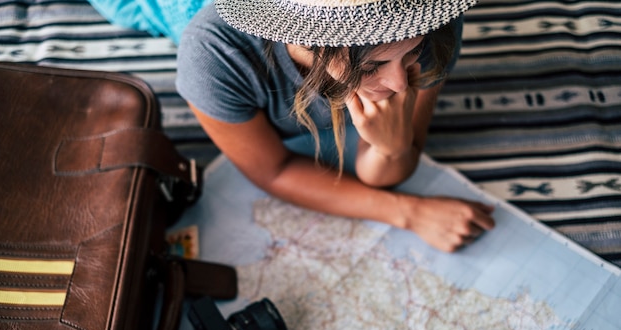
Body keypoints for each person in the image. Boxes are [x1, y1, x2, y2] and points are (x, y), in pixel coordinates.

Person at [177, 0, 496, 252]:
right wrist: (409, 212)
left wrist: (393, 146)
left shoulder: (429, 19)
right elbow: (274, 170)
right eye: (372, 67)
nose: (400, 84)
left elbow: (389, 171)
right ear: (305, 40)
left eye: (412, 52)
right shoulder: (212, 58)